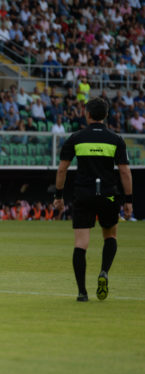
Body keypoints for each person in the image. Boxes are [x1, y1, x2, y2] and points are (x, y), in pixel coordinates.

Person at [54, 97, 133, 302]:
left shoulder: (76, 138)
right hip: (108, 194)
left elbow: (62, 169)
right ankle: (104, 271)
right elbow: (125, 172)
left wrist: (58, 197)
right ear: (106, 115)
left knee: (81, 244)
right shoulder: (116, 140)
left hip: (84, 194)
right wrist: (129, 200)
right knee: (111, 236)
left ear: (86, 114)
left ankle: (82, 292)